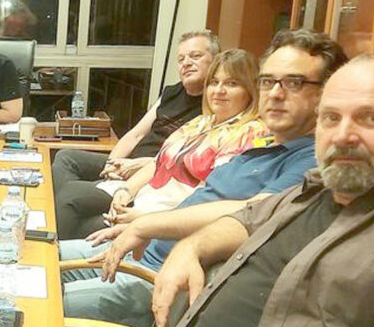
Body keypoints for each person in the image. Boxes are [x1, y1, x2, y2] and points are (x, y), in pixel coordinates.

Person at [73, 54, 374, 327]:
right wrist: (191, 248)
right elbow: (241, 220)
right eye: (330, 118)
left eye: (371, 119)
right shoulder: (309, 195)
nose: (343, 136)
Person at [58, 29, 347, 327]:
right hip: (141, 251)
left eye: (294, 82)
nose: (275, 93)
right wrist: (144, 222)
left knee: (36, 302)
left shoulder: (311, 161)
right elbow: (194, 193)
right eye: (268, 81)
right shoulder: (261, 147)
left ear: (327, 95)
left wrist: (148, 223)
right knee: (36, 262)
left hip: (156, 277)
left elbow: (257, 212)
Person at [56, 49, 268, 239]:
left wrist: (145, 217)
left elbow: (211, 199)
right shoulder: (201, 122)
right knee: (69, 195)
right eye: (214, 82)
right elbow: (159, 162)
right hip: (143, 198)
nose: (219, 90)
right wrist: (126, 191)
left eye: (231, 84)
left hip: (163, 221)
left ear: (250, 90)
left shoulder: (249, 134)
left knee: (71, 215)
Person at [52, 31, 216, 215]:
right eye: (181, 59)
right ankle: (62, 211)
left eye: (195, 56)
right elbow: (136, 134)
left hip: (153, 174)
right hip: (129, 163)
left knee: (70, 194)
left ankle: (65, 210)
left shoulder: (215, 105)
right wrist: (111, 166)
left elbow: (181, 162)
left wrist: (138, 166)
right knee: (65, 157)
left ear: (215, 61)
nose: (186, 63)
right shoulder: (172, 92)